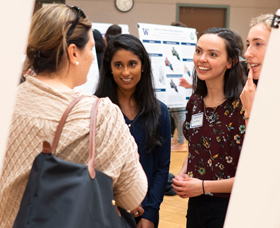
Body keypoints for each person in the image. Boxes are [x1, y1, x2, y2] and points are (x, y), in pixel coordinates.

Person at [0, 5, 147, 228]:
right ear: (74, 52)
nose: (93, 58)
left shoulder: (0, 102)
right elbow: (132, 196)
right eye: (91, 48)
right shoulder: (100, 115)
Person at [172, 27, 247, 228]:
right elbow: (195, 149)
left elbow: (251, 175)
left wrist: (203, 186)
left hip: (234, 207)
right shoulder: (195, 101)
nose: (202, 59)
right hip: (198, 204)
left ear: (231, 62)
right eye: (198, 51)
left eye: (212, 54)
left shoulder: (244, 105)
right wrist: (183, 174)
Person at [95, 34, 171, 228]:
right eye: (118, 65)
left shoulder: (160, 112)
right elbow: (93, 165)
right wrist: (124, 198)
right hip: (105, 210)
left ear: (143, 66)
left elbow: (161, 168)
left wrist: (151, 213)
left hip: (145, 213)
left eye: (132, 64)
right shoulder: (96, 109)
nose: (125, 72)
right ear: (109, 68)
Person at [240, 14, 274, 125]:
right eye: (248, 44)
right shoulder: (248, 91)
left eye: (258, 44)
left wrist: (250, 111)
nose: (247, 54)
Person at [169, 21, 189, 152]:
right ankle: (178, 140)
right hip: (174, 83)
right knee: (174, 113)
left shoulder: (184, 48)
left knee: (180, 113)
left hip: (182, 85)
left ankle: (181, 141)